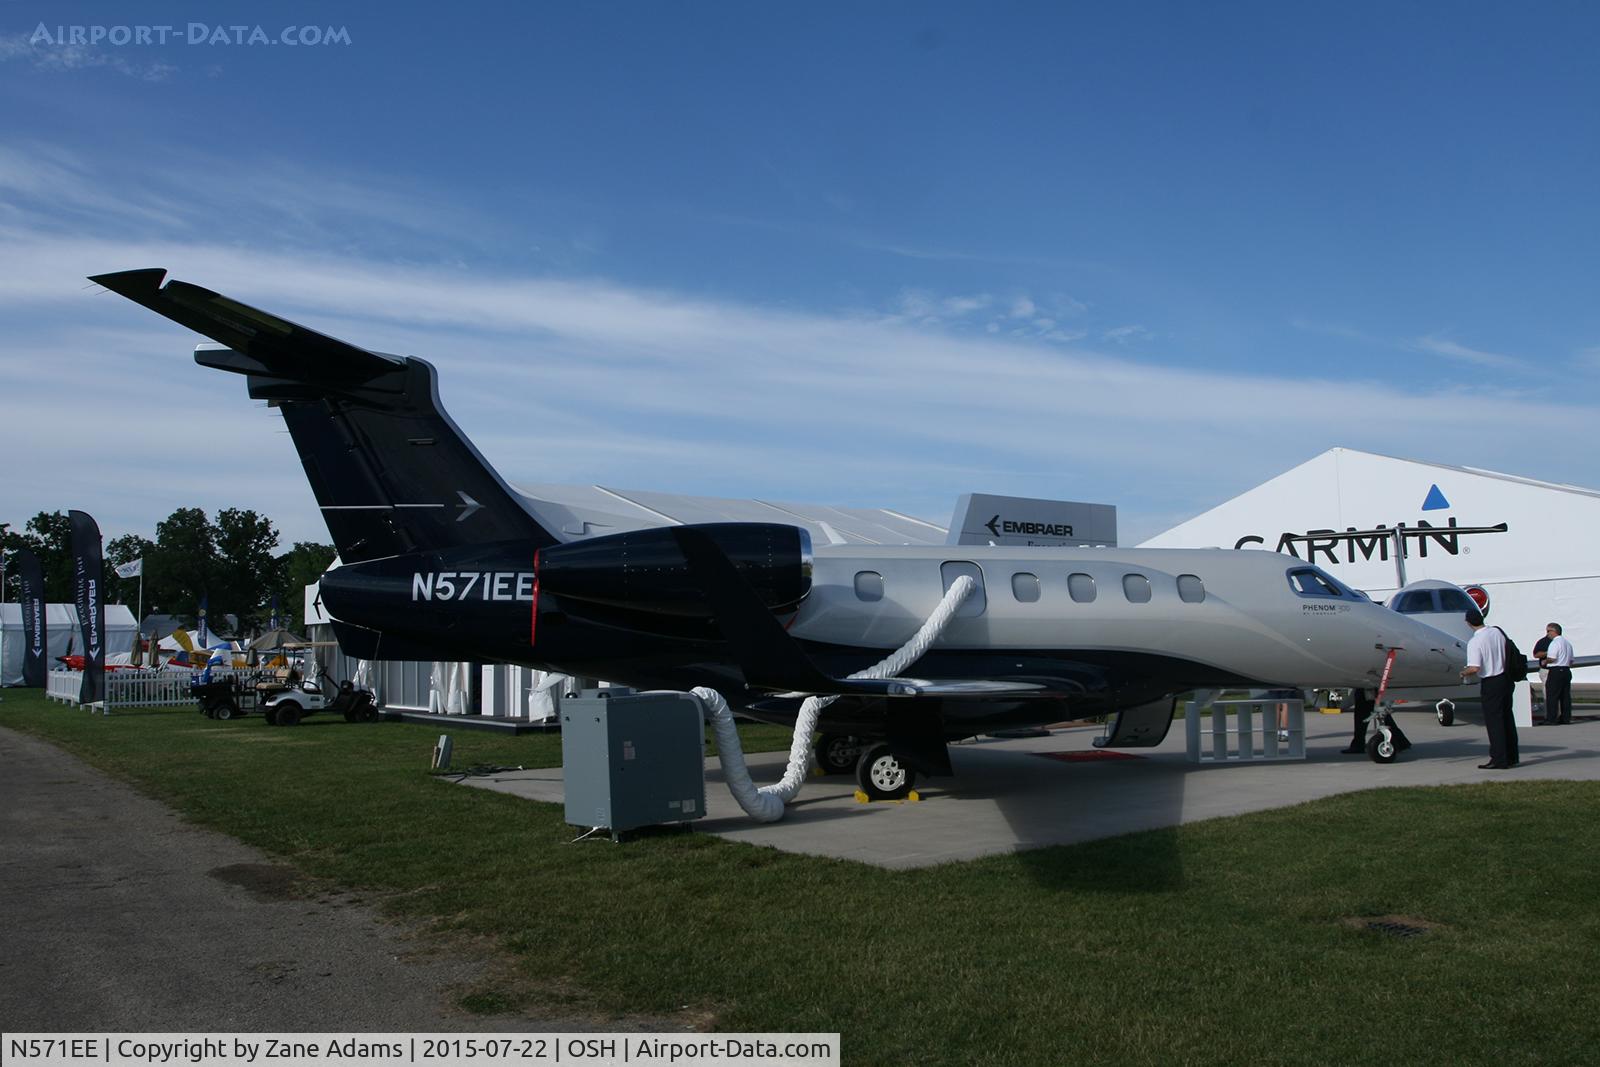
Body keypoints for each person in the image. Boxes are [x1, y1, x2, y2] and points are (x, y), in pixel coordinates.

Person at [1461, 609, 1518, 769]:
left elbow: (1474, 668)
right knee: (1507, 719)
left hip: (1491, 682)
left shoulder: (1475, 641)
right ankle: (1512, 756)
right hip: (1505, 679)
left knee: (1495, 723)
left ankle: (1499, 759)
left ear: (1468, 623)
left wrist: (1462, 672)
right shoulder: (1497, 632)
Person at [1540, 623, 1574, 725]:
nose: (1547, 634)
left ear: (1554, 631)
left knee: (1552, 695)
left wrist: (1544, 662)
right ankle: (1565, 718)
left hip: (1556, 671)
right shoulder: (1567, 644)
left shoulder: (1555, 643)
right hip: (1566, 670)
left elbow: (1552, 658)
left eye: (1548, 631)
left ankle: (1551, 718)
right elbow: (1571, 660)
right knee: (1565, 696)